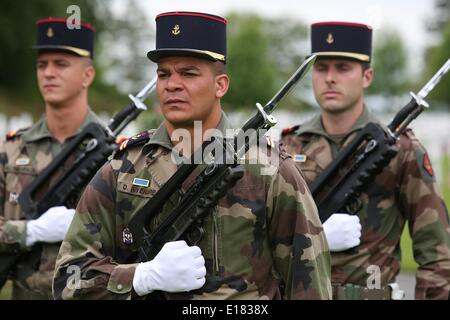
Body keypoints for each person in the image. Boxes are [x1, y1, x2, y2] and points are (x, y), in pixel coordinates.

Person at [52, 11, 332, 300]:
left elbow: (309, 287)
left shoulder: (270, 169)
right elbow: (67, 282)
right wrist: (140, 278)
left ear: (220, 85)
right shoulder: (123, 167)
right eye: (164, 74)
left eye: (188, 73)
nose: (172, 84)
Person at [281, 21, 450, 300]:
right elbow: (265, 240)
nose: (330, 78)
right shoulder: (287, 147)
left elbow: (436, 253)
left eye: (343, 68)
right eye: (321, 68)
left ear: (367, 76)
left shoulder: (402, 149)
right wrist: (316, 235)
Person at [0, 17, 99, 299]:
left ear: (87, 75)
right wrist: (30, 231)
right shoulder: (11, 150)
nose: (48, 73)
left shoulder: (114, 154)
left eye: (61, 64)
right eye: (42, 65)